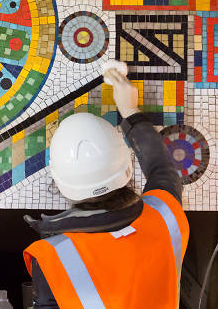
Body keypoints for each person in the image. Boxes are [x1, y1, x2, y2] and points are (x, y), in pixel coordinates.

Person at [23, 66, 189, 308]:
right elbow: (163, 171)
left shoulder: (53, 257)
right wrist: (130, 110)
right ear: (127, 167)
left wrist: (130, 111)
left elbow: (164, 172)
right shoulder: (165, 219)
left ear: (60, 182)